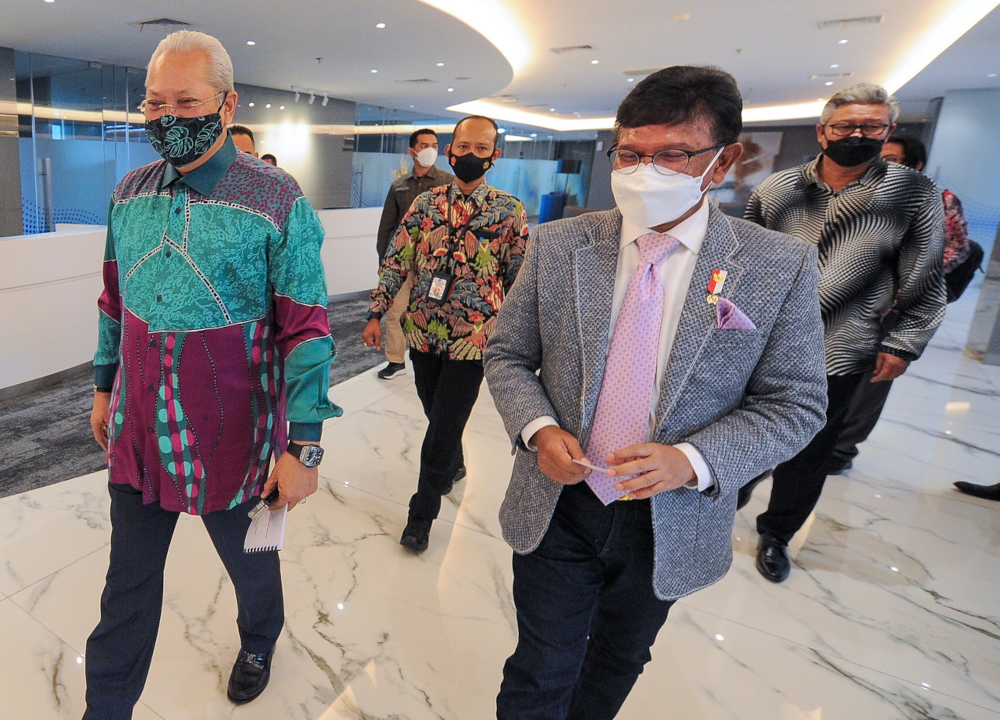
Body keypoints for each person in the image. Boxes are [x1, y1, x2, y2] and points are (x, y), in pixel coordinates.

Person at [484, 65, 828, 720]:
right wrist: (536, 428)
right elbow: (507, 354)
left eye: (672, 154)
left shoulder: (776, 266)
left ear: (722, 161)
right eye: (632, 154)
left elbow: (797, 402)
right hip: (561, 502)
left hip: (670, 517)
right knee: (540, 667)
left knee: (617, 658)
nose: (646, 171)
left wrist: (692, 461)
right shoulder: (559, 246)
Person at [85, 30, 340, 717]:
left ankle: (259, 640)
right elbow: (114, 299)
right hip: (138, 433)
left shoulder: (275, 199)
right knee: (125, 587)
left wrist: (304, 444)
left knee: (251, 564)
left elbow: (307, 327)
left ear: (227, 106)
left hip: (239, 438)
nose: (168, 116)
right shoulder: (129, 193)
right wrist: (104, 384)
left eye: (186, 101)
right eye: (155, 103)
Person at [742, 83, 946, 583]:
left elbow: (926, 278)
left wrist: (904, 344)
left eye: (871, 126)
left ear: (888, 131)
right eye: (845, 125)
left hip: (843, 344)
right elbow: (743, 260)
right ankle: (732, 486)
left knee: (811, 449)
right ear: (822, 132)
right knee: (743, 427)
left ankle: (778, 532)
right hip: (761, 342)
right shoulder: (779, 189)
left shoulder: (912, 194)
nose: (857, 134)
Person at [362, 115, 528, 554]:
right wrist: (377, 312)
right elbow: (397, 259)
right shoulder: (426, 204)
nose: (470, 155)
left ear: (495, 154)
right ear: (452, 149)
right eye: (463, 146)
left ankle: (421, 515)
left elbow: (517, 278)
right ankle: (453, 462)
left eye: (481, 148)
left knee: (445, 423)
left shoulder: (509, 211)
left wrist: (521, 338)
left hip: (474, 338)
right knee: (435, 411)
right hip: (423, 332)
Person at [827, 134, 974, 475]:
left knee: (871, 383)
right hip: (848, 304)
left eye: (893, 159)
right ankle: (811, 442)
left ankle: (842, 449)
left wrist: (908, 277)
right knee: (832, 374)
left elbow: (956, 249)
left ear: (916, 165)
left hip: (894, 309)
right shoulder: (865, 192)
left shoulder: (938, 198)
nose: (884, 165)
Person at [373, 128, 454, 380]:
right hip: (401, 262)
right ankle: (395, 360)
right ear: (412, 151)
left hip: (435, 264)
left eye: (434, 145)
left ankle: (435, 358)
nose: (429, 150)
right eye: (423, 145)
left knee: (434, 312)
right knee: (395, 312)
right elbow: (387, 226)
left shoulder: (448, 182)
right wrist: (383, 263)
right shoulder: (399, 186)